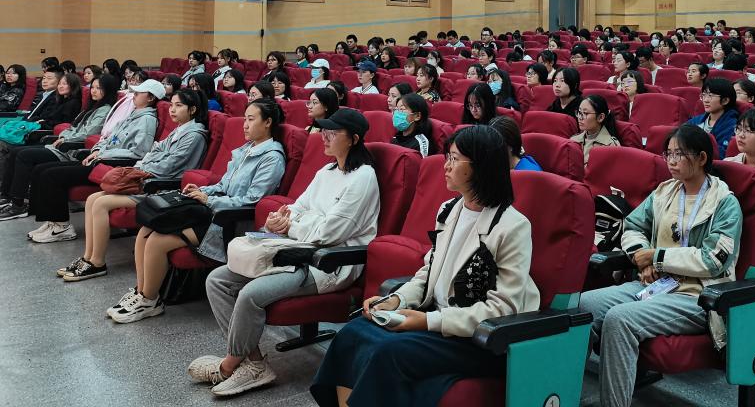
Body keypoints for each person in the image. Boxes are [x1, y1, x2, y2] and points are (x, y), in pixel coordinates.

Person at [310, 124, 537, 407]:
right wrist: (396, 300)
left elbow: (503, 309)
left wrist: (428, 321)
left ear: (481, 166)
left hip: (473, 337)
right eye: (447, 157)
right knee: (352, 334)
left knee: (388, 351)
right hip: (435, 319)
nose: (446, 166)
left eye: (454, 159)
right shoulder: (449, 209)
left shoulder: (512, 226)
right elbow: (429, 272)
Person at [189, 108, 379, 396]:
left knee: (250, 294)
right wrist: (281, 219)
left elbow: (330, 233)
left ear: (353, 139)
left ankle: (228, 366)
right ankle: (253, 363)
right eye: (324, 131)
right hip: (295, 249)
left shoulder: (363, 177)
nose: (324, 137)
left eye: (332, 132)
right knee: (217, 280)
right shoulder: (327, 171)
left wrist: (293, 225)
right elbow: (298, 208)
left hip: (328, 263)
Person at [580, 124, 740, 407]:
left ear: (702, 158)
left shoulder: (725, 203)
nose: (671, 161)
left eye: (679, 154)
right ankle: (564, 395)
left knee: (619, 319)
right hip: (655, 283)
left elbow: (714, 260)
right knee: (583, 306)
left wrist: (657, 257)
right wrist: (641, 258)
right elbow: (632, 226)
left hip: (697, 295)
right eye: (668, 154)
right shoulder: (665, 191)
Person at [104, 98, 286, 324]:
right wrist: (201, 190)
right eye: (245, 119)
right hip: (210, 212)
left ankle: (150, 301)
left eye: (251, 119)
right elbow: (223, 185)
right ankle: (142, 292)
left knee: (157, 241)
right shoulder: (246, 150)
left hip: (228, 222)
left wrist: (209, 199)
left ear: (268, 122)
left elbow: (253, 201)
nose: (245, 125)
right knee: (145, 231)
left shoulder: (272, 158)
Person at [58, 89, 209, 279]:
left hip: (161, 187)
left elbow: (169, 166)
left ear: (193, 109)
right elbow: (153, 153)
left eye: (178, 106)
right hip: (147, 179)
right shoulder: (179, 129)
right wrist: (142, 167)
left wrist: (142, 169)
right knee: (92, 199)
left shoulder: (195, 135)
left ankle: (97, 262)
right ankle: (87, 257)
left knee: (101, 203)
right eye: (171, 105)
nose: (172, 110)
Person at [0, 80, 163, 231]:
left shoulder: (146, 120)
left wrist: (102, 154)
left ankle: (61, 226)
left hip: (111, 165)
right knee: (42, 170)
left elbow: (139, 152)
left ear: (150, 98)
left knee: (50, 174)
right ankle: (50, 221)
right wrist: (97, 150)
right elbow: (107, 138)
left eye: (139, 93)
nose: (134, 95)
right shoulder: (132, 115)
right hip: (99, 159)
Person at [0, 74, 119, 224]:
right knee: (16, 152)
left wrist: (65, 139)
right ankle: (8, 196)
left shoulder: (104, 109)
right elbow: (73, 127)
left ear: (108, 90)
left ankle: (17, 204)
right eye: (93, 87)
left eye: (99, 88)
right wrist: (63, 136)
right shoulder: (92, 107)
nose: (93, 91)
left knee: (24, 156)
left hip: (71, 150)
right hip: (62, 145)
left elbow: (88, 133)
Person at [686, 78, 739, 156]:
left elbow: (722, 155)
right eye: (704, 95)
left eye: (710, 96)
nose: (705, 100)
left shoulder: (732, 126)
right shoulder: (696, 120)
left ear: (725, 100)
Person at [571, 94, 620, 166]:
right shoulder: (573, 140)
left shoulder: (610, 146)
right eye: (579, 112)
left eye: (585, 113)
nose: (580, 117)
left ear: (600, 117)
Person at [390, 93, 433, 157]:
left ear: (417, 116)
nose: (397, 114)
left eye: (402, 109)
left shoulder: (421, 143)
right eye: (397, 109)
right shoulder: (395, 138)